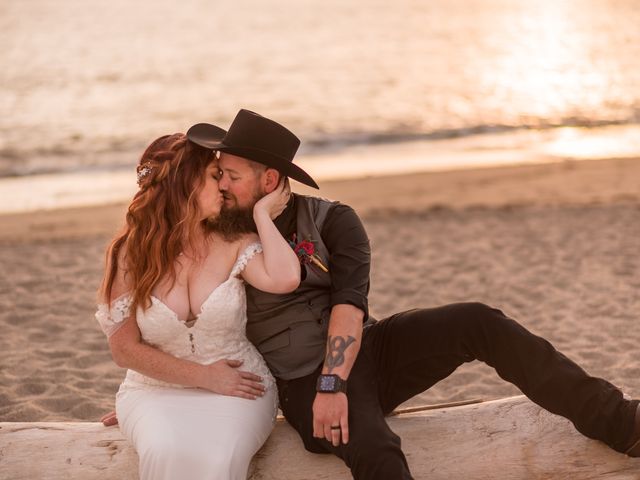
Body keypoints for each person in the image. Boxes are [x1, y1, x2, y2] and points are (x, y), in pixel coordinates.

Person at [183, 109, 640, 479]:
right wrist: (170, 391)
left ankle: (620, 423)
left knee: (477, 318)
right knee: (377, 449)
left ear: (269, 181)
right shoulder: (221, 234)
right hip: (302, 383)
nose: (221, 184)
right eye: (220, 174)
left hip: (361, 356)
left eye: (233, 176)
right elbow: (190, 316)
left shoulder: (335, 221)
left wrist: (334, 383)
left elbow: (349, 306)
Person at [95, 129, 301, 480]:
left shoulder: (233, 238)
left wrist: (263, 216)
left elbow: (285, 279)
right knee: (164, 450)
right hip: (154, 393)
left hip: (241, 388)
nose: (223, 185)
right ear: (186, 183)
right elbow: (124, 350)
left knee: (220, 454)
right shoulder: (130, 253)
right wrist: (205, 377)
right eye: (213, 175)